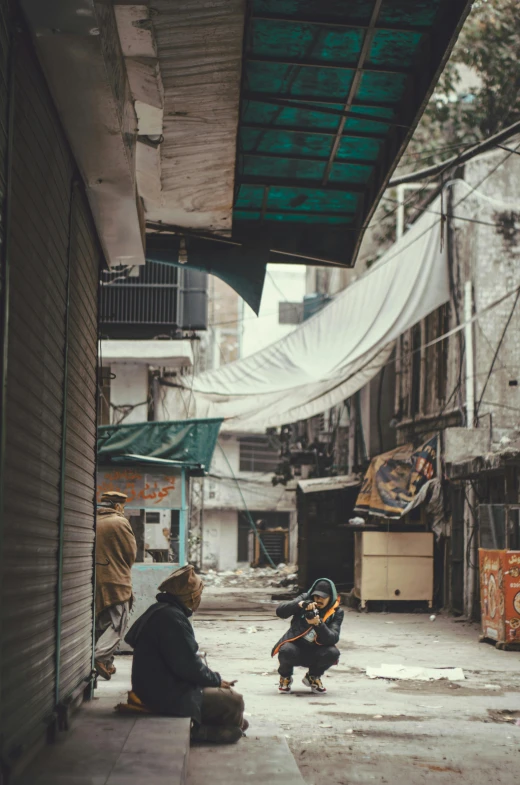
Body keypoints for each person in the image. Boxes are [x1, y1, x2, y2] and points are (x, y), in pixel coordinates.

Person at [123, 564, 247, 744]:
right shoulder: (171, 618)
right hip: (161, 692)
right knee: (234, 701)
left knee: (234, 716)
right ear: (191, 597)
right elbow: (188, 666)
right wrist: (216, 680)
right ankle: (197, 732)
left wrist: (212, 679)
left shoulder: (164, 611)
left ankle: (224, 726)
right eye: (199, 595)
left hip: (159, 684)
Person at [272, 578, 343, 695]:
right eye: (316, 596)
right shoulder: (305, 598)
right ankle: (285, 677)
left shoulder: (336, 612)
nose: (318, 600)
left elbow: (333, 638)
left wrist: (318, 624)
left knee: (333, 653)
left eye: (323, 597)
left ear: (331, 597)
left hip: (317, 652)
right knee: (285, 649)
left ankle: (313, 677)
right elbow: (280, 612)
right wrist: (299, 605)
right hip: (296, 648)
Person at [95, 490, 137, 681]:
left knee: (101, 622)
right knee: (118, 623)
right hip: (115, 580)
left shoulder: (93, 521)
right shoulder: (119, 522)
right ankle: (99, 657)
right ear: (118, 506)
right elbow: (130, 553)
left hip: (96, 580)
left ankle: (108, 662)